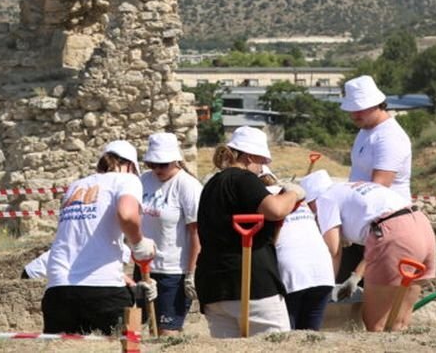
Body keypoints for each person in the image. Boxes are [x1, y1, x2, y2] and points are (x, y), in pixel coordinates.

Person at [194, 126, 305, 338]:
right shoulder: (243, 179)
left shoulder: (211, 185)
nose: (262, 168)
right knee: (276, 346)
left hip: (214, 287)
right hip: (252, 284)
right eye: (262, 161)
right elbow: (275, 209)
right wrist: (292, 193)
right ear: (250, 156)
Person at [42, 140, 157, 335]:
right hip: (103, 290)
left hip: (58, 288)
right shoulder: (127, 180)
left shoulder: (76, 186)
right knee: (127, 343)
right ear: (129, 166)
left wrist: (127, 282)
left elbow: (80, 242)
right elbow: (127, 215)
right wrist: (139, 243)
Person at [315, 180, 436, 331]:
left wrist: (324, 291)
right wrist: (356, 276)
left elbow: (333, 250)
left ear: (311, 201)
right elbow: (381, 238)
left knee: (376, 325)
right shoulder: (350, 188)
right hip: (421, 226)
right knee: (400, 323)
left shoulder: (323, 200)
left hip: (394, 235)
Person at [336, 75, 413, 289]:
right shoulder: (365, 131)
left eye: (359, 109)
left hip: (383, 224)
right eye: (352, 109)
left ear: (377, 104)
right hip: (363, 225)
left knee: (375, 293)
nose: (354, 114)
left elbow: (379, 189)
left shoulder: (389, 137)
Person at [139, 132, 203, 335]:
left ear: (176, 160)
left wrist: (191, 273)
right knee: (148, 333)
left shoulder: (187, 185)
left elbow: (196, 233)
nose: (157, 169)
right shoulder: (142, 181)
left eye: (163, 164)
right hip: (145, 267)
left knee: (167, 333)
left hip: (173, 272)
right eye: (152, 164)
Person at [261, 168, 335, 331]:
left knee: (288, 334)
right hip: (323, 270)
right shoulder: (297, 197)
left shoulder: (263, 199)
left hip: (293, 271)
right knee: (309, 337)